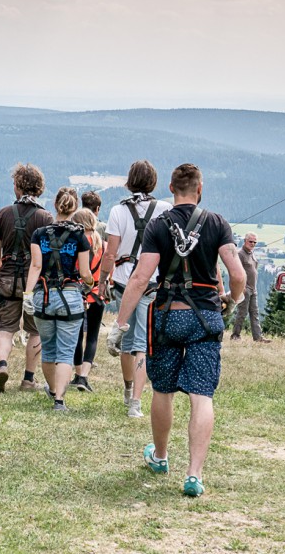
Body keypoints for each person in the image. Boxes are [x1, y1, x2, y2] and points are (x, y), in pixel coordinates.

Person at [110, 163, 245, 497]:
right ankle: (194, 475)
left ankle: (160, 456)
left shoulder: (159, 225)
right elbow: (238, 275)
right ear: (200, 189)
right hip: (205, 318)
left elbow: (141, 278)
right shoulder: (217, 223)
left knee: (163, 389)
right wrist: (232, 298)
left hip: (168, 316)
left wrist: (119, 324)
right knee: (202, 395)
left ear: (171, 188)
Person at [99, 160, 173, 418]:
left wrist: (102, 280)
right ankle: (136, 402)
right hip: (152, 280)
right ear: (153, 182)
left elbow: (110, 253)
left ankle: (128, 389)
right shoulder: (165, 209)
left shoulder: (118, 211)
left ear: (130, 181)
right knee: (141, 340)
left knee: (128, 337)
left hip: (122, 279)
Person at [23, 188, 92, 411]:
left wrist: (27, 294)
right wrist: (91, 284)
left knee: (49, 350)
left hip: (43, 296)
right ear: (75, 209)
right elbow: (84, 273)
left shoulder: (39, 234)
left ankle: (52, 389)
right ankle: (59, 400)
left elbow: (36, 266)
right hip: (70, 297)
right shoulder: (79, 236)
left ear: (55, 205)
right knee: (65, 351)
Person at [0, 163, 54, 392]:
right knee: (34, 330)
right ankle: (28, 379)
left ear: (17, 186)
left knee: (5, 327)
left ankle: (3, 365)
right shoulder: (45, 217)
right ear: (39, 188)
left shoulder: (5, 213)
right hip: (33, 282)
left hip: (7, 277)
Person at [70, 207, 104, 392]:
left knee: (76, 336)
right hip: (98, 295)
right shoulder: (102, 244)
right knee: (92, 336)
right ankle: (84, 376)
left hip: (79, 293)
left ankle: (77, 374)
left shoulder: (78, 243)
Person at [230, 232, 269, 343]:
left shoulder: (252, 254)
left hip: (253, 289)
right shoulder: (240, 254)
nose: (252, 244)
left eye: (254, 242)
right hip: (244, 288)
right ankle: (235, 335)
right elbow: (236, 272)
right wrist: (240, 287)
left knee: (254, 313)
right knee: (242, 313)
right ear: (245, 241)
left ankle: (258, 337)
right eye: (250, 241)